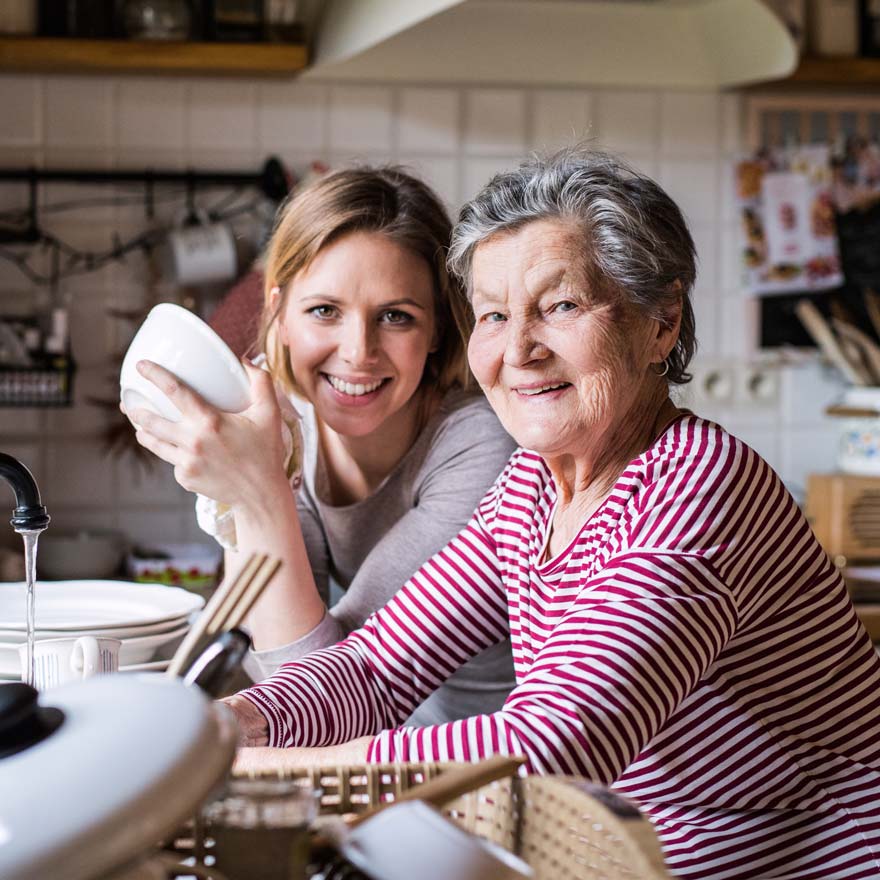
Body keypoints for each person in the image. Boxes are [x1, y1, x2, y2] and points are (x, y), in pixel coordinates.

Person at [218, 149, 880, 879]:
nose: (518, 351)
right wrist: (226, 728)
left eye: (560, 306)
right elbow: (377, 670)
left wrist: (256, 772)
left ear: (661, 321)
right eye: (494, 315)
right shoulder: (531, 489)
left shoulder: (699, 486)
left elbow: (550, 744)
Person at [128, 166, 517, 725]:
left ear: (436, 330)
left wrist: (256, 489)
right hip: (372, 759)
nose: (359, 351)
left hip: (484, 769)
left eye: (395, 316)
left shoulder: (479, 448)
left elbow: (326, 695)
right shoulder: (286, 423)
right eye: (324, 311)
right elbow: (277, 673)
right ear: (279, 312)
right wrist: (238, 493)